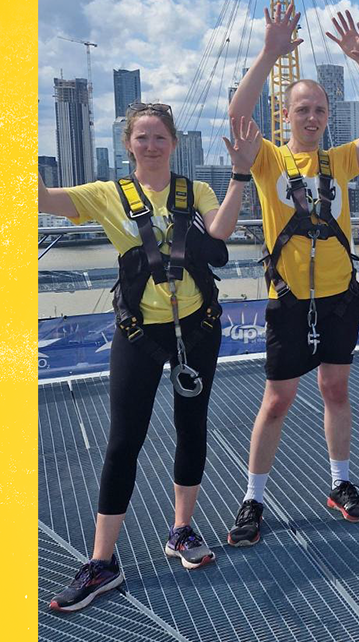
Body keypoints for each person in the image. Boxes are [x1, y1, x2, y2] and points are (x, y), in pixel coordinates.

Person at [39, 103, 259, 611]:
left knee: (192, 427)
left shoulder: (193, 191)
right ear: (128, 145)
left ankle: (181, 530)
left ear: (174, 143)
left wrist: (240, 174)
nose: (152, 145)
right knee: (124, 441)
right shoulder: (106, 195)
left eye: (160, 137)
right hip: (139, 333)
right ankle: (102, 561)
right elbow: (46, 199)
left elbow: (220, 232)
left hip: (197, 329)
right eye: (142, 137)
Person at [218, 7, 359, 548]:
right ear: (286, 113)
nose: (312, 117)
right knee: (277, 399)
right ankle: (254, 497)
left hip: (340, 298)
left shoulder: (341, 161)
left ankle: (339, 483)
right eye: (303, 109)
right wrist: (270, 51)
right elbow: (236, 115)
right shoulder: (269, 160)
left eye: (320, 110)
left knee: (336, 389)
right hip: (291, 299)